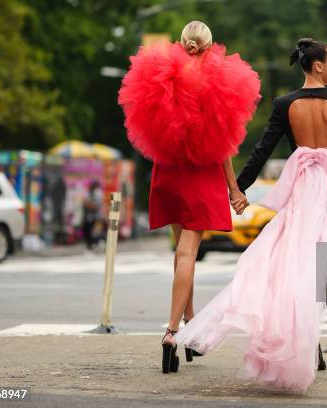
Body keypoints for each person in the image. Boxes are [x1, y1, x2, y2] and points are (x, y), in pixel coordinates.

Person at [175, 38, 327, 392]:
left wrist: (239, 189)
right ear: (317, 66)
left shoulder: (285, 104)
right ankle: (309, 341)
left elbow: (262, 148)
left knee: (292, 263)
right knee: (321, 272)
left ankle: (305, 341)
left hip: (299, 192)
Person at [118, 21, 261, 374]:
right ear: (210, 46)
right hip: (199, 176)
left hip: (167, 174)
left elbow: (145, 126)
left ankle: (192, 325)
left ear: (183, 43)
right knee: (187, 254)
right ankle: (171, 333)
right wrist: (234, 189)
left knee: (182, 255)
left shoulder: (162, 75)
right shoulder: (216, 81)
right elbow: (224, 145)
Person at [82, 180, 103, 251]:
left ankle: (96, 243)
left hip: (96, 216)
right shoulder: (88, 193)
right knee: (87, 231)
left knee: (96, 231)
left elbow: (96, 205)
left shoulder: (98, 193)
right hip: (89, 216)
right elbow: (85, 202)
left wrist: (90, 205)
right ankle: (90, 245)